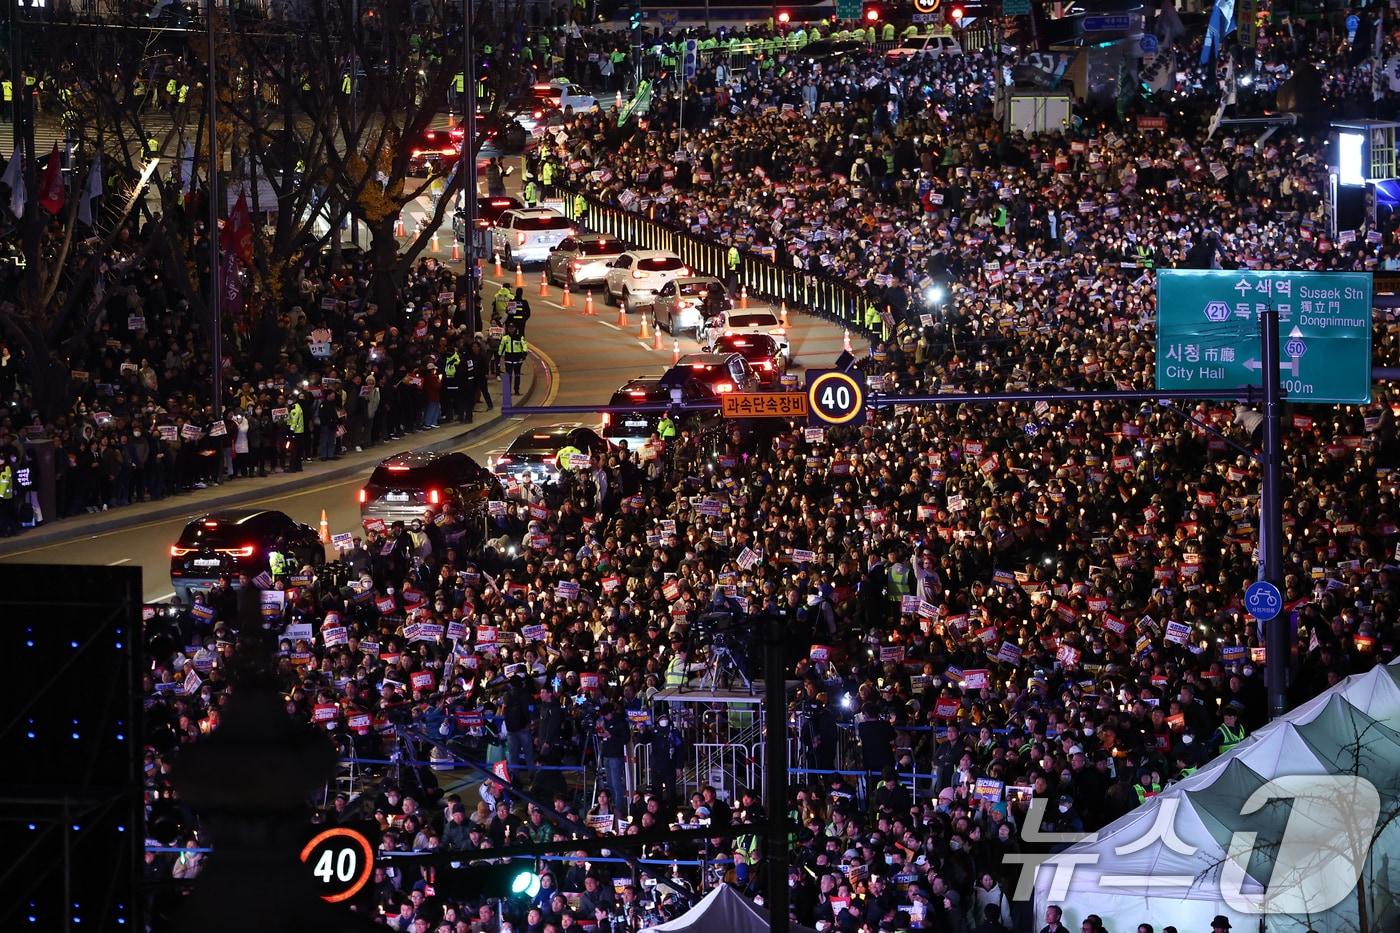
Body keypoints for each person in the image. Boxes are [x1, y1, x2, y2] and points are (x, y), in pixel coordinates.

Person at [498, 324, 529, 396]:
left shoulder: (520, 337)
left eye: (512, 328)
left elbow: (524, 345)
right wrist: (499, 355)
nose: (511, 329)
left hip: (518, 359)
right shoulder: (505, 338)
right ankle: (508, 391)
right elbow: (501, 347)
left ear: (515, 328)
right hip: (508, 359)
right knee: (509, 376)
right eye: (509, 328)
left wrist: (524, 353)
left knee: (517, 375)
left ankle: (516, 390)